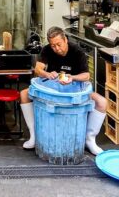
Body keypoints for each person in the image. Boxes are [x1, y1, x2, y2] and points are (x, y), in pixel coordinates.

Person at [19, 26, 107, 155]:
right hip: (52, 89)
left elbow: (86, 76)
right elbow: (37, 69)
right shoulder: (47, 50)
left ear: (65, 40)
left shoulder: (77, 51)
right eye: (53, 45)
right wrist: (47, 74)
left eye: (58, 45)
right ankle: (34, 135)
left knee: (102, 102)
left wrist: (72, 78)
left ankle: (89, 139)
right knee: (24, 94)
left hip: (75, 90)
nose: (56, 49)